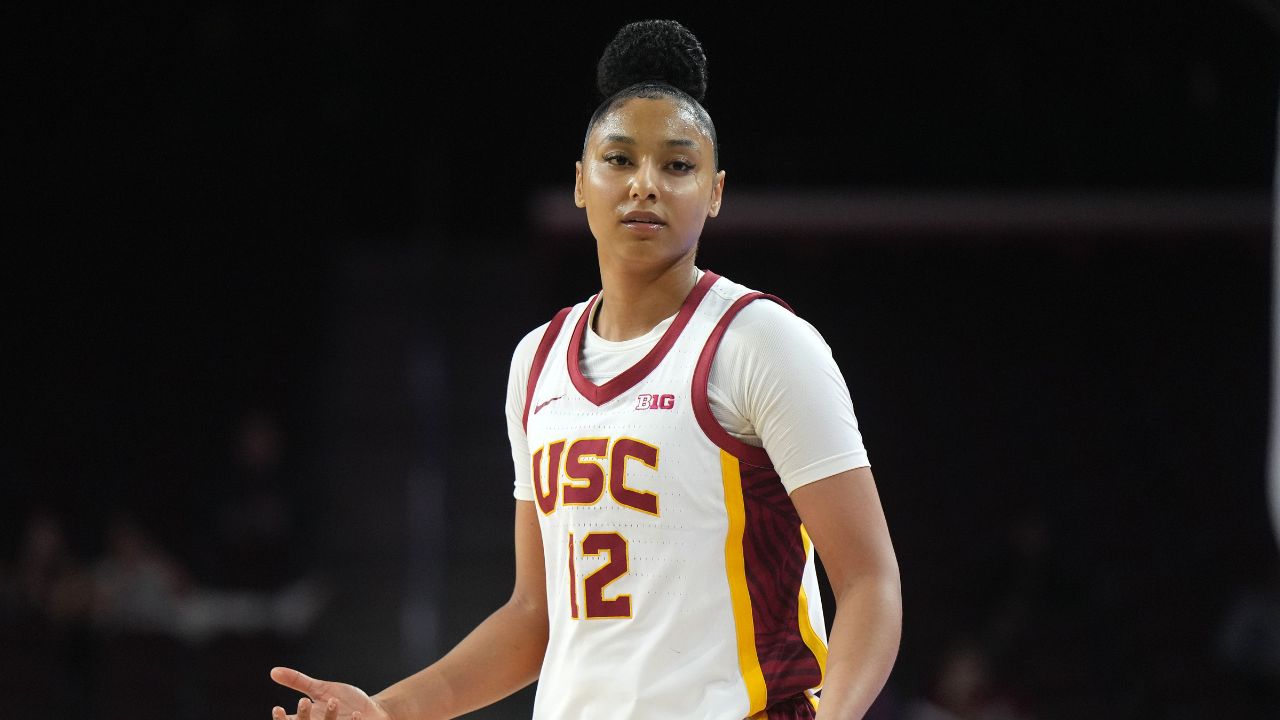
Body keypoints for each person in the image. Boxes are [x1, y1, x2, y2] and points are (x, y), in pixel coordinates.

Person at [270, 19, 901, 720]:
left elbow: (870, 581)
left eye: (678, 165)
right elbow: (535, 616)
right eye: (620, 160)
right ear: (580, 182)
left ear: (716, 192)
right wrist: (388, 710)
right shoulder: (536, 361)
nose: (645, 186)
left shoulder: (762, 343)